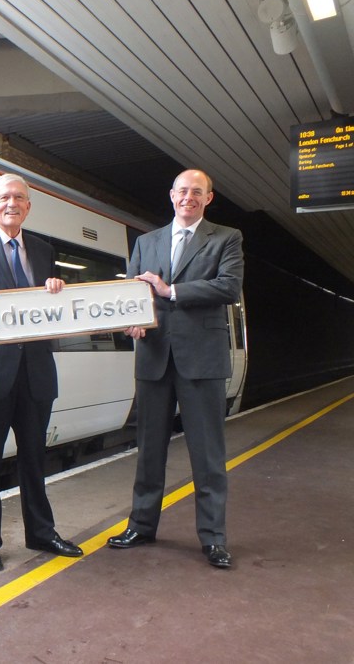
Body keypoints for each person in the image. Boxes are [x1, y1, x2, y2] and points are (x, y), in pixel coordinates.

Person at [107, 169, 244, 569]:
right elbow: (132, 293)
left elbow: (228, 287)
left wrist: (170, 291)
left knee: (208, 454)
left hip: (202, 360)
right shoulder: (147, 242)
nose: (189, 197)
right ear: (171, 195)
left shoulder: (226, 238)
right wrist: (132, 317)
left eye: (196, 192)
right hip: (153, 355)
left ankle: (214, 539)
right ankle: (142, 525)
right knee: (149, 449)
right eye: (182, 191)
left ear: (208, 198)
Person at [0, 173, 83, 572]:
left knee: (34, 459)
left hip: (36, 371)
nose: (12, 203)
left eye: (20, 198)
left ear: (28, 207)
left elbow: (52, 310)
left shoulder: (42, 250)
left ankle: (41, 532)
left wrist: (57, 289)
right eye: (5, 197)